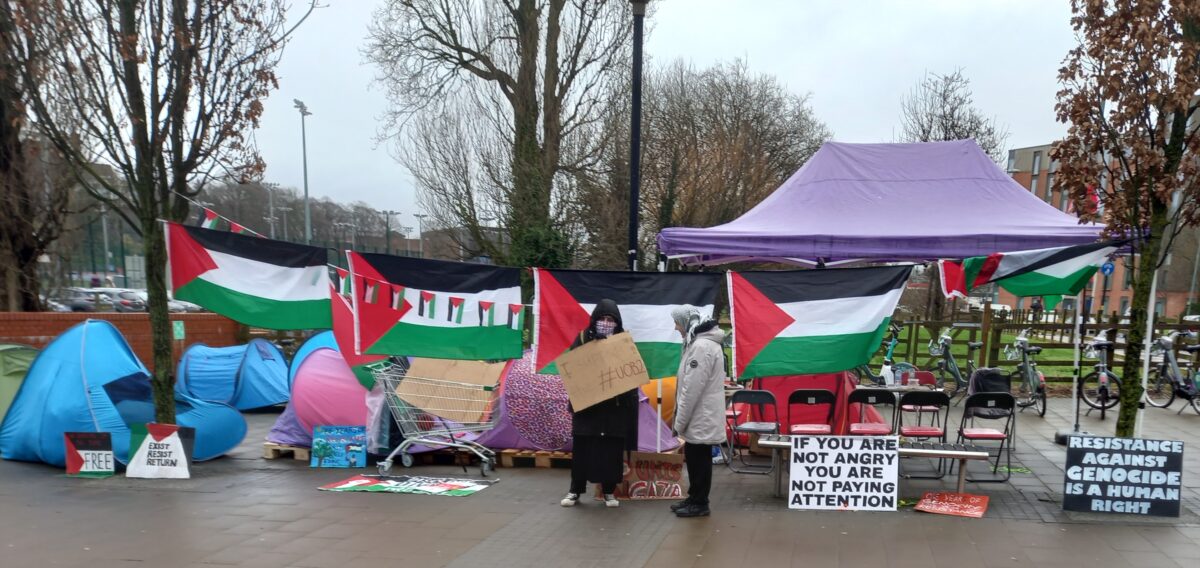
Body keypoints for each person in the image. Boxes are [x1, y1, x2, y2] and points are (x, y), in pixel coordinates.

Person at [560, 299, 639, 509]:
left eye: (610, 319)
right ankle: (575, 490)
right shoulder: (583, 338)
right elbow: (573, 370)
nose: (606, 322)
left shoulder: (624, 342)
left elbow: (631, 375)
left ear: (617, 322)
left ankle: (609, 492)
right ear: (595, 320)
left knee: (610, 452)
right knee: (583, 451)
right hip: (587, 409)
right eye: (602, 318)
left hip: (613, 410)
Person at [668, 305, 727, 518]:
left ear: (687, 322)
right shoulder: (700, 343)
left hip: (701, 415)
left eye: (677, 322)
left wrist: (679, 422)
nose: (675, 327)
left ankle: (700, 502)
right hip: (701, 414)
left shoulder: (701, 346)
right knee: (694, 456)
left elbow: (692, 388)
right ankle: (694, 496)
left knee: (699, 458)